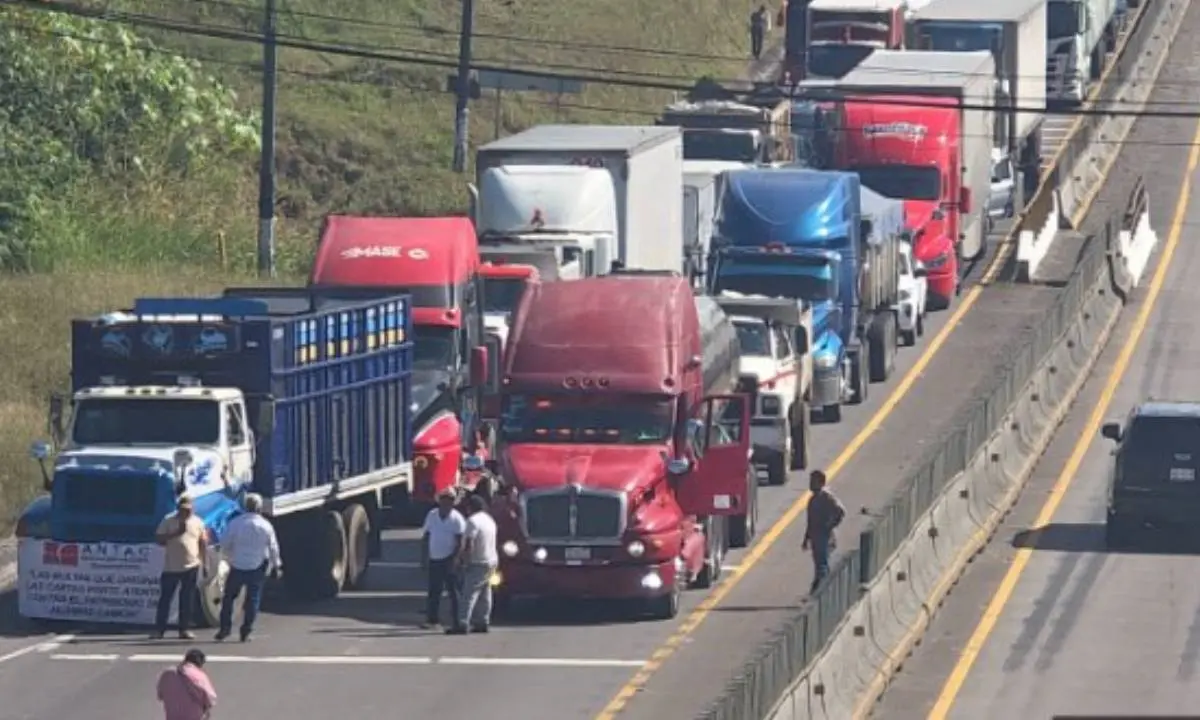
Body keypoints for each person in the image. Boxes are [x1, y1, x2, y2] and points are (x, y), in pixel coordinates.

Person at [215, 493, 281, 643]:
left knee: (229, 598)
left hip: (237, 565)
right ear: (259, 507)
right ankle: (246, 631)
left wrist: (228, 557)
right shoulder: (265, 525)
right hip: (257, 566)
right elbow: (273, 547)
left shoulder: (236, 523)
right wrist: (277, 565)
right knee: (253, 600)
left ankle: (224, 629)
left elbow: (224, 544)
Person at [152, 494, 207, 640]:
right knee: (166, 598)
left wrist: (205, 562)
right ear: (178, 509)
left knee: (187, 599)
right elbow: (159, 539)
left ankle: (184, 629)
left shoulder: (198, 522)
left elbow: (203, 542)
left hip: (192, 565)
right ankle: (159, 629)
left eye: (189, 510)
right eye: (183, 510)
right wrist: (176, 533)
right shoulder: (168, 520)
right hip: (171, 566)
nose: (186, 512)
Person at [448, 494, 499, 635]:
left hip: (478, 560)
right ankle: (483, 621)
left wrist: (463, 561)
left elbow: (469, 543)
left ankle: (462, 623)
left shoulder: (472, 521)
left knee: (468, 594)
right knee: (485, 592)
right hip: (492, 559)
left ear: (470, 507)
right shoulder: (489, 520)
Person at [421, 488, 467, 629]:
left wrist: (456, 560)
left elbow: (460, 541)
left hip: (449, 559)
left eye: (450, 500)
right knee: (434, 590)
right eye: (444, 499)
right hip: (435, 558)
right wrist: (424, 557)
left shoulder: (457, 518)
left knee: (453, 592)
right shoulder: (432, 515)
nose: (447, 502)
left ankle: (456, 621)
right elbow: (426, 536)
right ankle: (432, 620)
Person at [801, 470, 845, 593]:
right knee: (819, 564)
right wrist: (806, 538)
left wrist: (830, 525)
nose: (810, 484)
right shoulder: (812, 500)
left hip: (825, 537)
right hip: (816, 537)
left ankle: (822, 591)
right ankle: (821, 590)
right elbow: (810, 521)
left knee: (822, 565)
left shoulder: (826, 497)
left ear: (821, 482)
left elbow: (841, 512)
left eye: (813, 481)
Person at [156, 648, 217, 720]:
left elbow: (160, 695)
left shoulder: (167, 673)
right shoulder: (199, 676)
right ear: (200, 663)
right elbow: (210, 699)